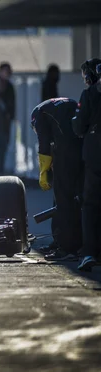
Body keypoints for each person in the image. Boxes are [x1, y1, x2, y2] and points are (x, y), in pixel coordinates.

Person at [31, 97, 83, 261]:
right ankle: (63, 240)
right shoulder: (64, 103)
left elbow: (44, 144)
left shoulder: (38, 116)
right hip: (84, 151)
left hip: (66, 154)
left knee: (63, 200)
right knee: (76, 198)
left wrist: (43, 172)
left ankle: (66, 247)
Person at [72, 59, 101, 272]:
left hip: (95, 154)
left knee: (90, 204)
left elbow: (79, 126)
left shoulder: (90, 94)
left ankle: (89, 252)